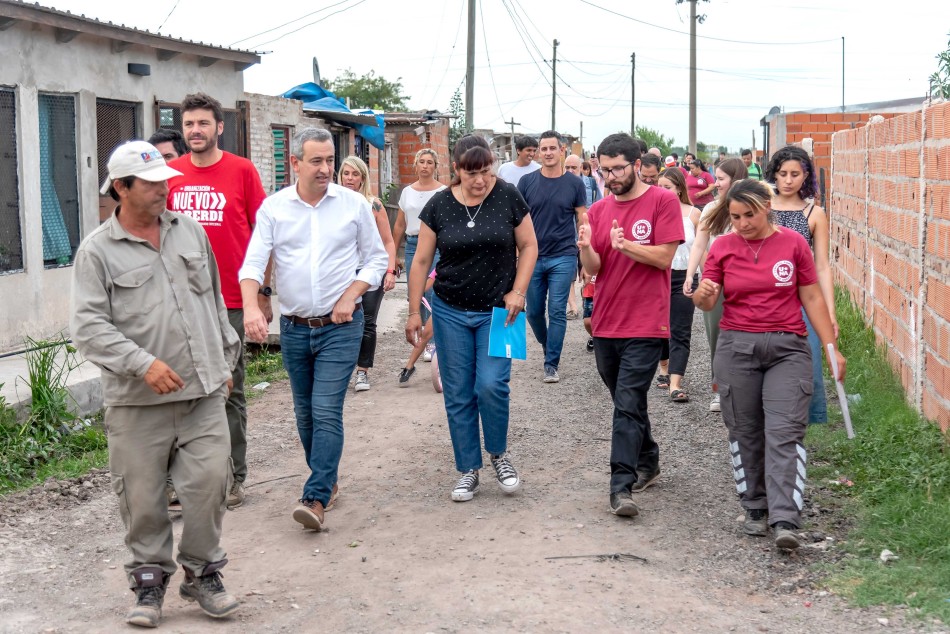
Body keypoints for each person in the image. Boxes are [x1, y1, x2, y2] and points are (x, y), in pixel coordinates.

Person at [72, 141, 241, 627]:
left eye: (165, 181)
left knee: (210, 485)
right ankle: (148, 584)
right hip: (137, 402)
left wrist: (225, 360)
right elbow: (89, 328)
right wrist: (142, 364)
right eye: (150, 183)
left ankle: (203, 573)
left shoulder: (189, 231)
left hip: (203, 393)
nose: (164, 189)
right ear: (121, 188)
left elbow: (213, 301)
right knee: (143, 499)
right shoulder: (96, 251)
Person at [240, 127, 388, 531]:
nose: (326, 169)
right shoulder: (274, 209)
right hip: (294, 328)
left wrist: (351, 295)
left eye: (330, 161)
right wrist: (252, 306)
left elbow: (376, 259)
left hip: (341, 326)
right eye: (317, 161)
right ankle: (327, 477)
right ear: (295, 163)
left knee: (325, 410)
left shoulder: (353, 205)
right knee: (304, 414)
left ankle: (316, 496)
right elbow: (254, 262)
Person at [692, 179, 845, 550]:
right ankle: (755, 506)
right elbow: (706, 301)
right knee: (745, 430)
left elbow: (811, 297)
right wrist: (702, 295)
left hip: (788, 349)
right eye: (735, 217)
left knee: (785, 431)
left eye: (749, 215)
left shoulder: (793, 244)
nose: (742, 223)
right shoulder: (722, 247)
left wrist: (831, 348)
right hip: (736, 348)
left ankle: (785, 518)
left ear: (766, 206)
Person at [405, 134, 538, 503]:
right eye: (471, 173)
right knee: (458, 391)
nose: (480, 180)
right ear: (457, 170)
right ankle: (468, 469)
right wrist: (414, 311)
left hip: (501, 311)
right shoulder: (439, 204)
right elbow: (420, 261)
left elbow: (529, 245)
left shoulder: (508, 195)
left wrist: (519, 291)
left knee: (492, 385)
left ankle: (498, 454)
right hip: (450, 311)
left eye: (486, 172)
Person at [166, 92, 269, 510]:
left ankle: (232, 477)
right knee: (177, 393)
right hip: (180, 303)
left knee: (229, 389)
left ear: (219, 127)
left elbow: (264, 236)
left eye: (203, 123)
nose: (196, 131)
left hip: (230, 299)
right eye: (189, 124)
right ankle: (180, 481)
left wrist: (261, 294)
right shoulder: (170, 174)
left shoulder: (242, 171)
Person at [577, 133, 684, 518]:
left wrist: (627, 246)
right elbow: (595, 269)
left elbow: (664, 257)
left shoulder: (663, 201)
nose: (611, 177)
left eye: (618, 169)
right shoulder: (598, 210)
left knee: (626, 403)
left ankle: (620, 486)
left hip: (646, 323)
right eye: (604, 170)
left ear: (637, 165)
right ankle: (648, 458)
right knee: (628, 402)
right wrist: (586, 248)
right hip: (606, 323)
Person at [766, 146, 838, 424]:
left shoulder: (815, 213)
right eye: (782, 173)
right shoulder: (761, 207)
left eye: (795, 174)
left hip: (804, 299)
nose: (788, 180)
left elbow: (822, 266)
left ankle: (801, 425)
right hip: (765, 297)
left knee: (808, 361)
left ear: (805, 176)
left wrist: (830, 312)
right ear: (774, 174)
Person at [518, 130, 588, 383]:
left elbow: (582, 218)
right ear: (539, 152)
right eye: (543, 149)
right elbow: (517, 221)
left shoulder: (575, 184)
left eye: (552, 148)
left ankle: (551, 364)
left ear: (562, 151)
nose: (547, 153)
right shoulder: (527, 182)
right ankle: (549, 346)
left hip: (563, 255)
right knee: (534, 312)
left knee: (557, 311)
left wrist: (584, 254)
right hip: (533, 256)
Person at [683, 157, 748, 411]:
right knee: (716, 336)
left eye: (721, 179)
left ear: (736, 179)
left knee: (745, 335)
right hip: (715, 282)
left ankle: (744, 388)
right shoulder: (710, 209)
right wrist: (690, 275)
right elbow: (699, 243)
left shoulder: (751, 208)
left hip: (746, 283)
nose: (716, 183)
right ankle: (719, 389)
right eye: (716, 178)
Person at [339, 156, 397, 393]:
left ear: (363, 178)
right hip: (343, 272)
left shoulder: (374, 205)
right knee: (343, 320)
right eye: (346, 173)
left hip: (371, 271)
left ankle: (362, 372)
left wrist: (390, 271)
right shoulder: (332, 203)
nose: (350, 178)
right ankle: (341, 371)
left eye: (355, 174)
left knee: (367, 321)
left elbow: (388, 241)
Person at [654, 167, 701, 402]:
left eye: (668, 187)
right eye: (659, 187)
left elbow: (701, 248)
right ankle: (663, 366)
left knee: (680, 330)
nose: (663, 191)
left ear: (679, 189)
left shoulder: (694, 214)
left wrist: (706, 275)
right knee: (659, 328)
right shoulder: (653, 212)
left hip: (685, 277)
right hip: (657, 276)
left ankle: (675, 383)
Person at [393, 148, 447, 355]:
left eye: (429, 162)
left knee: (433, 291)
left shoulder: (443, 191)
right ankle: (422, 335)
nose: (425, 166)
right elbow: (400, 225)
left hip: (436, 245)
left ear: (436, 166)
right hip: (413, 244)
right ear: (415, 165)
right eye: (421, 162)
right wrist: (393, 254)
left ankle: (432, 340)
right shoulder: (407, 192)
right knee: (416, 293)